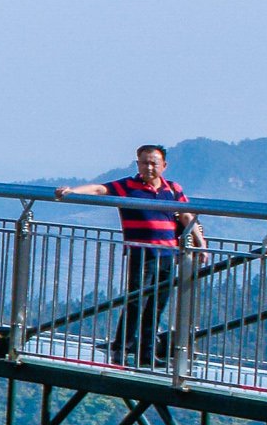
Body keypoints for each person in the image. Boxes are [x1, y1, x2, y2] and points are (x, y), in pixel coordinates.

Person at [60, 143, 202, 366]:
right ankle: (120, 348)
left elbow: (186, 215)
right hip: (141, 251)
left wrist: (200, 243)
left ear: (164, 165)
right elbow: (99, 190)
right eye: (144, 162)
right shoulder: (127, 186)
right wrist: (71, 192)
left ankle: (147, 353)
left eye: (153, 163)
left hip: (168, 252)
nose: (149, 167)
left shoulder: (173, 189)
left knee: (157, 304)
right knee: (136, 301)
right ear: (138, 164)